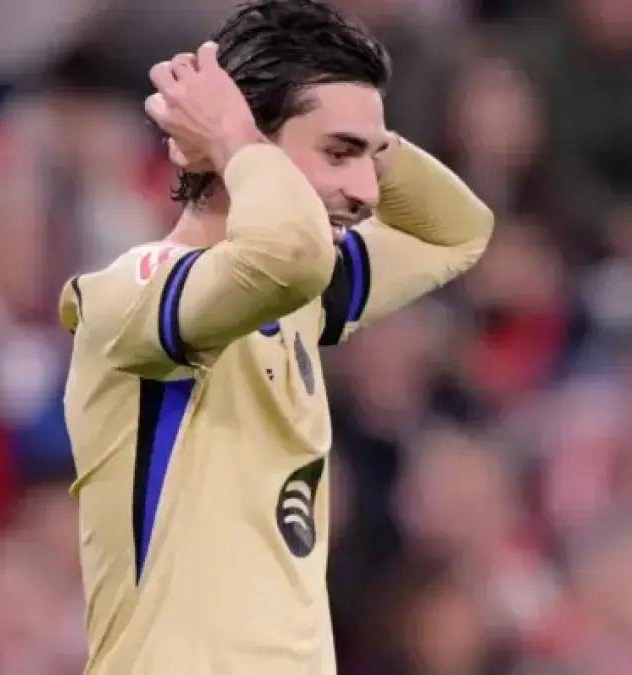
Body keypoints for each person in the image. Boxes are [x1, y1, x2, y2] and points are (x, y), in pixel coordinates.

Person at [56, 1, 494, 673]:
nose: (366, 191)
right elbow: (290, 256)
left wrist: (373, 139)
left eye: (368, 157)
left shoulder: (298, 304)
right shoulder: (131, 298)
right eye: (338, 153)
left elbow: (457, 232)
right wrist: (237, 143)